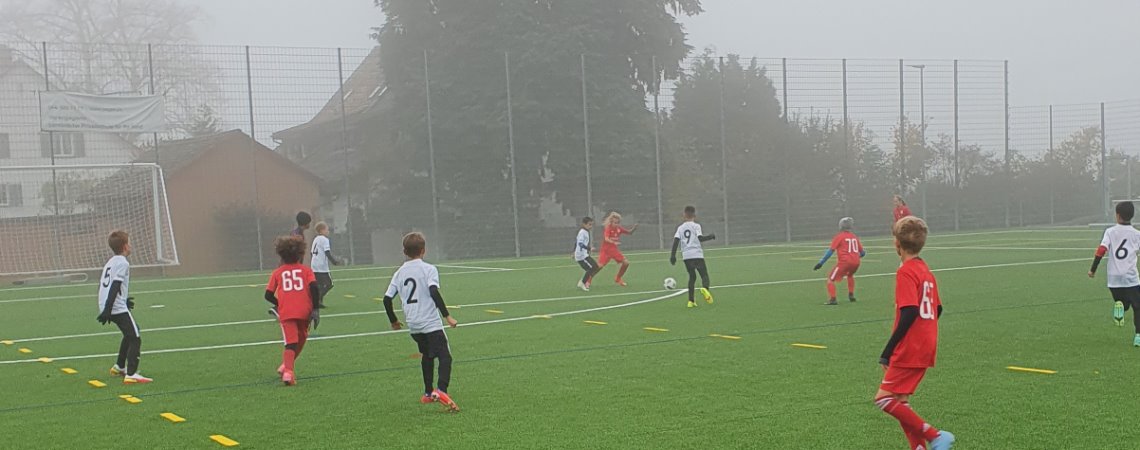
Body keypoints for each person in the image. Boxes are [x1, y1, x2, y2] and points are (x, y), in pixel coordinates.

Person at [875, 216, 955, 450]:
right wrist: (924, 333)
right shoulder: (925, 269)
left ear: (896, 243)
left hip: (909, 347)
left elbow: (909, 312)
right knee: (901, 400)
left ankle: (935, 435)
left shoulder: (906, 272)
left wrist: (887, 351)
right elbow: (937, 308)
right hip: (925, 345)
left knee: (884, 399)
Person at [383, 232, 460, 412]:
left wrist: (394, 321)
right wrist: (447, 316)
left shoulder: (399, 273)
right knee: (445, 356)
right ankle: (441, 390)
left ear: (404, 251)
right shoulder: (429, 269)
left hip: (414, 325)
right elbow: (433, 292)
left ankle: (427, 393)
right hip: (430, 322)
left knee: (427, 355)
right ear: (423, 250)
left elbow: (386, 300)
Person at [96, 230, 152, 384]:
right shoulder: (123, 263)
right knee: (135, 337)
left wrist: (121, 301)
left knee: (131, 332)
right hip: (114, 306)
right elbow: (115, 285)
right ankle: (132, 374)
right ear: (125, 246)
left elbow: (107, 286)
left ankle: (120, 366)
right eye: (129, 242)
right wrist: (109, 308)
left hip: (110, 304)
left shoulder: (111, 262)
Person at [264, 236, 321, 386]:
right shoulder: (306, 271)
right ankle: (288, 370)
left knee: (291, 342)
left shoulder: (277, 273)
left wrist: (279, 303)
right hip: (304, 311)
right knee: (301, 339)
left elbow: (268, 295)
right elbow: (314, 288)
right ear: (301, 254)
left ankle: (287, 368)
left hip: (287, 313)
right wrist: (315, 308)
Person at [1088, 201, 1140, 346]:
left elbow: (1101, 250)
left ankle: (1121, 307)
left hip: (1113, 278)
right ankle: (1138, 336)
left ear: (1117, 216)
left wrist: (1093, 269)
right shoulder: (1137, 234)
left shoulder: (1110, 231)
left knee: (1122, 302)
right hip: (1130, 277)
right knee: (1138, 306)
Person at [669, 206, 715, 308]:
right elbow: (701, 238)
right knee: (704, 275)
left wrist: (673, 256)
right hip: (697, 254)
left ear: (684, 215)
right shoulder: (696, 226)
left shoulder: (680, 228)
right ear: (694, 215)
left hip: (686, 256)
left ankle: (691, 301)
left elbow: (676, 241)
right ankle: (705, 289)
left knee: (692, 277)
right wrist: (710, 236)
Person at [814, 217, 866, 305]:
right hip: (856, 262)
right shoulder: (854, 237)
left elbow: (830, 251)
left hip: (844, 262)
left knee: (830, 279)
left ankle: (833, 299)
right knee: (850, 275)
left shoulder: (839, 237)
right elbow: (863, 253)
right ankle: (851, 295)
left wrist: (821, 263)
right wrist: (855, 257)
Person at [598, 212, 637, 287]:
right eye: (615, 223)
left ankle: (618, 278)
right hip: (606, 251)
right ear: (611, 222)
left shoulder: (619, 228)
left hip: (613, 250)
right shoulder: (608, 228)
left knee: (626, 263)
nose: (617, 224)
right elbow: (606, 239)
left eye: (618, 223)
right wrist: (613, 242)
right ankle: (588, 280)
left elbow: (629, 233)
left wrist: (634, 228)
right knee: (599, 267)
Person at [311, 222, 343, 309]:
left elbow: (312, 253)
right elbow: (327, 252)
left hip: (314, 265)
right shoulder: (324, 239)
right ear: (322, 230)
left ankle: (319, 301)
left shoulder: (315, 239)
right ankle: (316, 300)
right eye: (326, 229)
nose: (328, 231)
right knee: (329, 284)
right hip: (322, 266)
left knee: (320, 284)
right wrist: (334, 262)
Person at [573, 217, 600, 292]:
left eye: (592, 225)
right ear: (584, 224)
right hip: (581, 255)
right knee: (593, 267)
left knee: (593, 268)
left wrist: (573, 252)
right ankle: (582, 283)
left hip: (582, 254)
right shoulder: (582, 232)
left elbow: (576, 242)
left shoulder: (585, 232)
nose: (591, 226)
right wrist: (589, 248)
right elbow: (580, 244)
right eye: (589, 224)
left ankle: (582, 282)